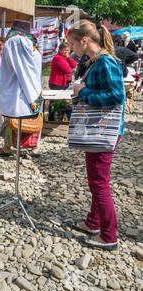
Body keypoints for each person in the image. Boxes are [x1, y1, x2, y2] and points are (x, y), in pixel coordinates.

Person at [66, 20, 126, 251]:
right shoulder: (98, 61)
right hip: (100, 130)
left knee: (99, 183)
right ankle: (93, 222)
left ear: (85, 40)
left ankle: (109, 235)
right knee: (96, 181)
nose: (72, 49)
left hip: (103, 131)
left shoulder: (104, 62)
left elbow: (116, 96)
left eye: (72, 44)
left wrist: (84, 91)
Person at [0, 20, 43, 158]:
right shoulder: (32, 46)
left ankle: (9, 147)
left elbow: (21, 70)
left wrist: (30, 94)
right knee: (26, 120)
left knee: (14, 121)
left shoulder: (16, 42)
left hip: (19, 92)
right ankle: (33, 147)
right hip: (31, 91)